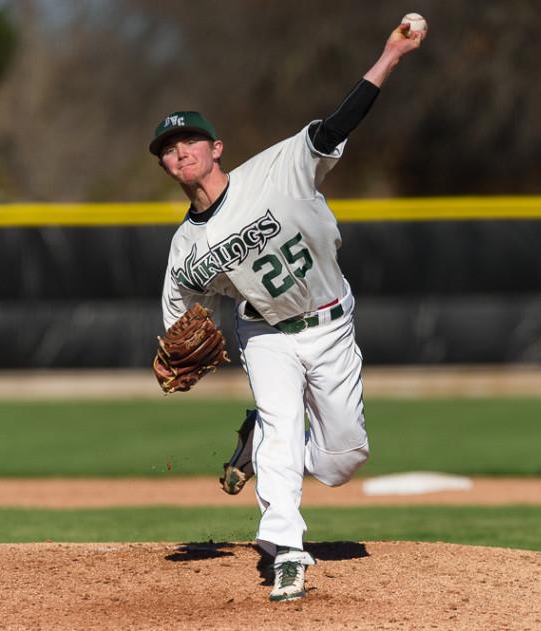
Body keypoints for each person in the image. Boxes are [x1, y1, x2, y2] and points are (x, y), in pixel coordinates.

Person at [151, 20, 425, 602]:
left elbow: (335, 127)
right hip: (264, 334)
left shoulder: (278, 169)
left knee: (342, 459)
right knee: (283, 433)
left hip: (330, 325)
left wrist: (390, 55)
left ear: (215, 148)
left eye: (190, 143)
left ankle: (256, 438)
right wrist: (172, 352)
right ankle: (286, 552)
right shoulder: (185, 248)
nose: (181, 153)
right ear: (167, 169)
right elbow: (180, 321)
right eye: (169, 152)